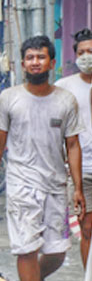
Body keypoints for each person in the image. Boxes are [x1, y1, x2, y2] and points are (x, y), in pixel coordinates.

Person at [0, 35, 84, 281]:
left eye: (41, 57)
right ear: (22, 63)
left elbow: (73, 145)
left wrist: (77, 188)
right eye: (30, 57)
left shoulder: (65, 100)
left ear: (51, 63)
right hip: (21, 184)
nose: (35, 62)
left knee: (56, 251)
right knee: (26, 247)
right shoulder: (9, 98)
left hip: (55, 184)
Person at [57, 29, 92, 265]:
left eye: (91, 51)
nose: (87, 56)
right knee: (87, 228)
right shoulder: (63, 88)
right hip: (82, 170)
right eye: (82, 52)